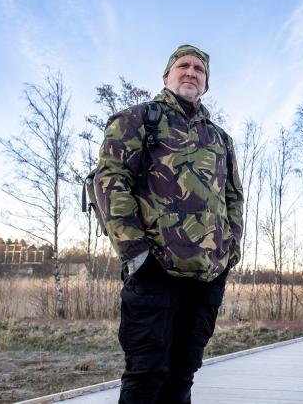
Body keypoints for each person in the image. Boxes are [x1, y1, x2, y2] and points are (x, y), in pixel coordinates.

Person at [94, 44, 243, 404]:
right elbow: (110, 181)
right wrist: (135, 252)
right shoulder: (137, 119)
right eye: (183, 66)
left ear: (206, 83)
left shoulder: (220, 139)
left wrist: (229, 253)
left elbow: (233, 199)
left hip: (206, 277)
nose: (191, 72)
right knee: (146, 375)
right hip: (155, 271)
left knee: (182, 376)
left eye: (199, 69)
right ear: (166, 76)